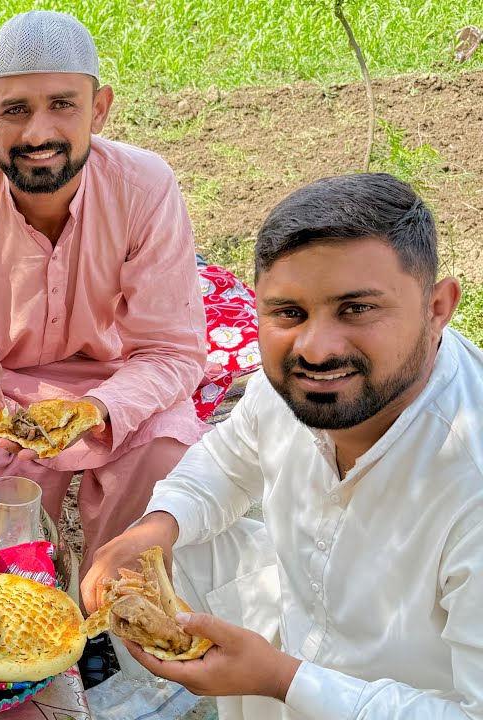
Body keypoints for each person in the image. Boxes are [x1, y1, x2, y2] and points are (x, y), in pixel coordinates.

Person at [85, 173, 482, 719]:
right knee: (171, 549)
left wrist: (280, 678)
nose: (316, 350)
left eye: (356, 309)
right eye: (289, 313)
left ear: (437, 307)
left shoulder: (469, 472)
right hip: (293, 638)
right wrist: (155, 527)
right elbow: (226, 463)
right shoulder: (294, 385)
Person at [0, 10, 208, 578]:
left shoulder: (144, 188)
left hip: (113, 384)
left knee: (169, 461)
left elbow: (172, 351)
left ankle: (111, 606)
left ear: (100, 109)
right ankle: (10, 609)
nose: (37, 134)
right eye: (15, 110)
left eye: (63, 105)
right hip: (0, 398)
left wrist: (96, 409)